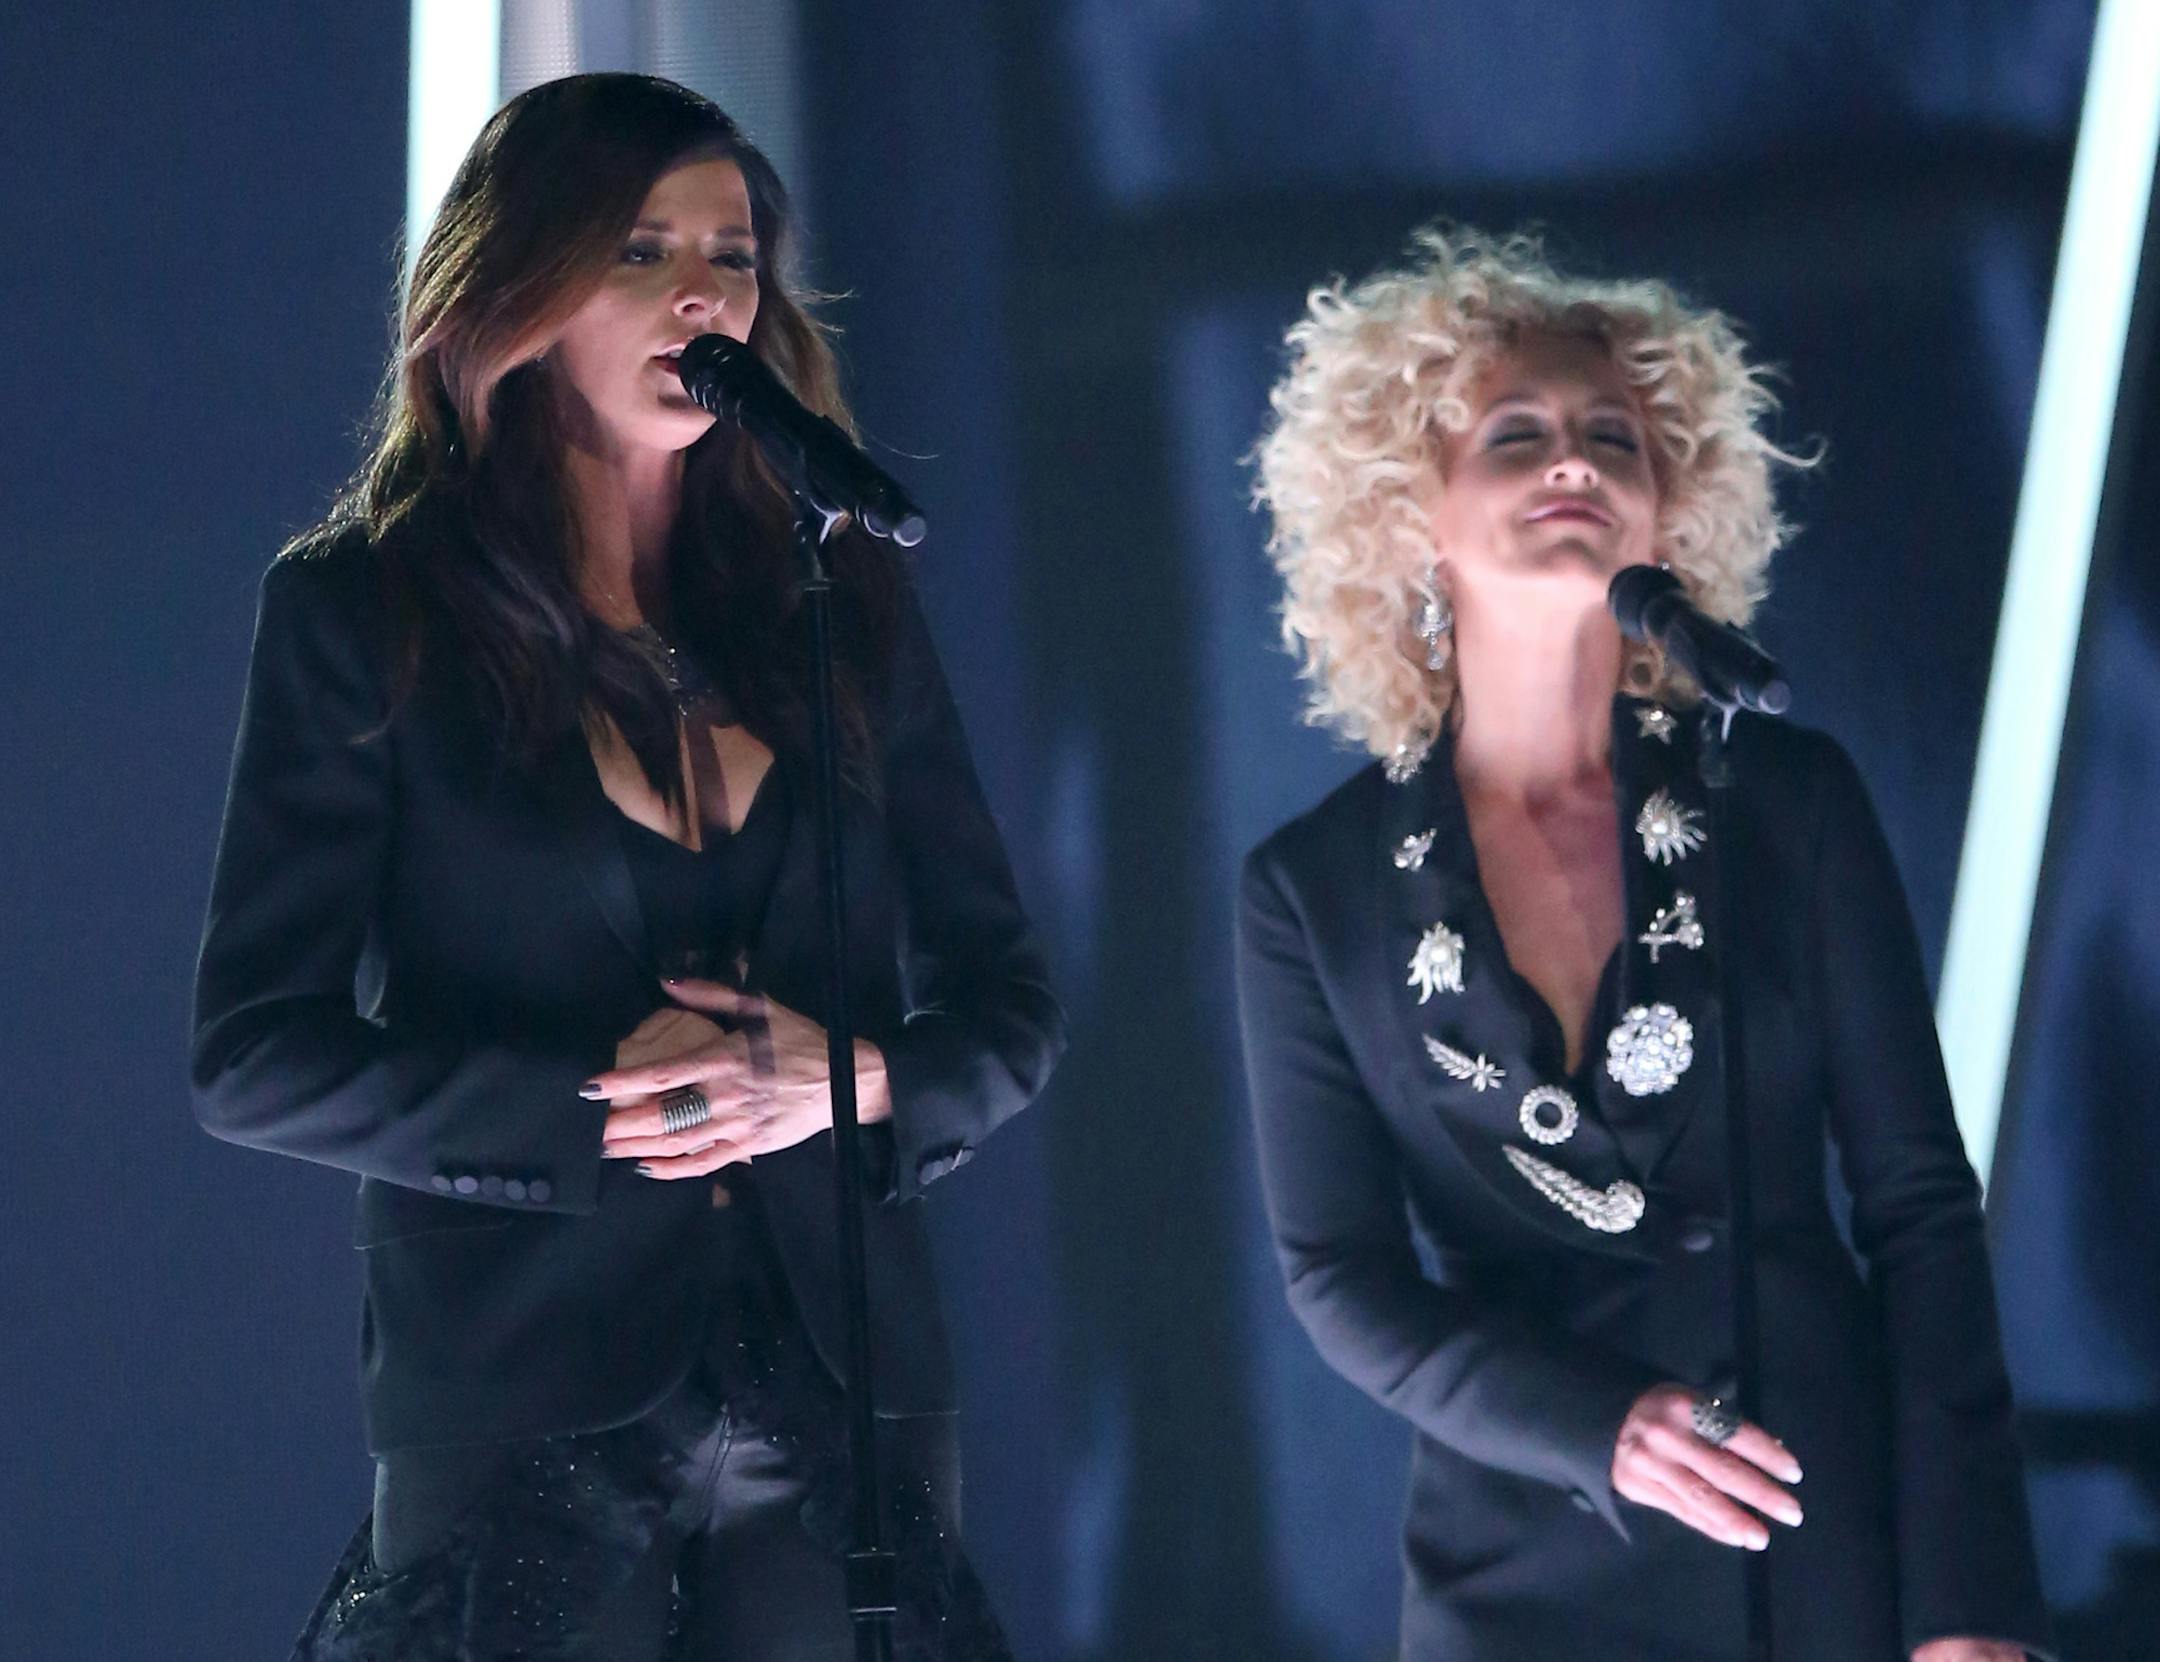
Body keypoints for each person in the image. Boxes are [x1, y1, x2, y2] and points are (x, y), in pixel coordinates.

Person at [190, 72, 1062, 1660]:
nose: (702, 293)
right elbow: (252, 1057)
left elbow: (1009, 1006)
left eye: (730, 254)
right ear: (517, 288)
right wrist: (586, 1107)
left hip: (842, 1389)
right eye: (641, 251)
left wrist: (849, 1076)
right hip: (527, 1382)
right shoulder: (364, 612)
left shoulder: (837, 600)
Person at [1236, 227, 2051, 1661]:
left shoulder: (1786, 799)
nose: (1574, 461)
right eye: (1520, 433)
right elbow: (1339, 1279)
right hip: (1522, 1564)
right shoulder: (1311, 888)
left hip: (1809, 1530)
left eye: (1614, 433)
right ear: (1408, 509)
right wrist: (1595, 1426)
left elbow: (1921, 1209)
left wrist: (1969, 1606)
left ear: (1669, 515)